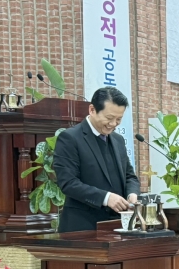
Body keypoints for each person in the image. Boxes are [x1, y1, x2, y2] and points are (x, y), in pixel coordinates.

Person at [53, 87, 139, 233]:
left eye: (119, 119)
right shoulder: (70, 138)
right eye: (109, 118)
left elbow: (129, 176)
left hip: (117, 226)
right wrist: (106, 198)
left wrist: (132, 194)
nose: (113, 124)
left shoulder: (118, 140)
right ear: (92, 110)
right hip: (82, 228)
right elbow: (68, 183)